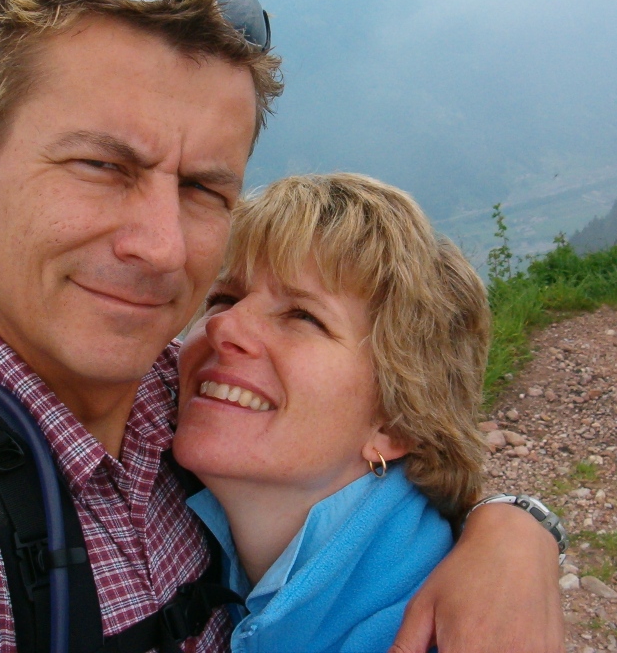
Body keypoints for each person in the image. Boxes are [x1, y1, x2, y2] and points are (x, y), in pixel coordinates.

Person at [0, 0, 563, 652]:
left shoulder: (186, 403)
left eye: (204, 189)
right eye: (102, 166)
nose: (164, 248)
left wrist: (514, 527)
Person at [173, 173, 492, 652]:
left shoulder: (438, 634)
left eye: (303, 316)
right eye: (224, 298)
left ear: (395, 422)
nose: (224, 326)